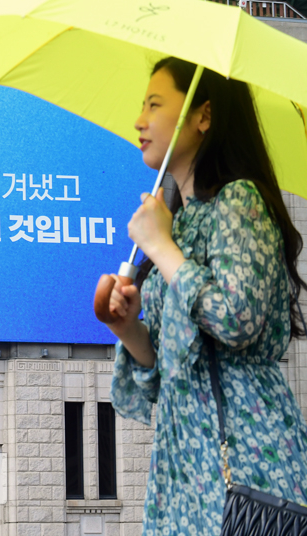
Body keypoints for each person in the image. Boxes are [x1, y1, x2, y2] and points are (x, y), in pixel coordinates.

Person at [106, 57, 307, 534]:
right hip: (183, 469)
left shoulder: (239, 201)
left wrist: (162, 247)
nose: (139, 121)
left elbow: (237, 319)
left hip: (248, 459)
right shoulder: (177, 220)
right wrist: (128, 327)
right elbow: (169, 373)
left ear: (204, 115)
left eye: (154, 105)